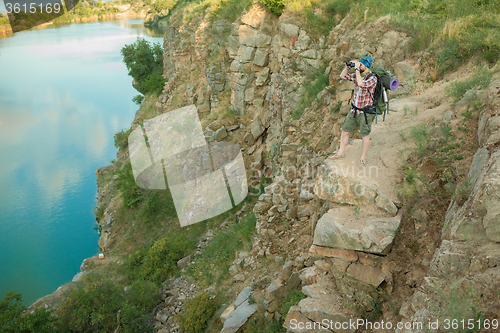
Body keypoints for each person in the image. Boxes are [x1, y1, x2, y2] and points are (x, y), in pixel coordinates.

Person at [329, 56, 376, 166]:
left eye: (361, 65)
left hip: (365, 112)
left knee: (364, 135)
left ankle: (363, 158)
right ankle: (341, 152)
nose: (359, 66)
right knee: (345, 131)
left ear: (366, 66)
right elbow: (342, 76)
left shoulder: (372, 78)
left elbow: (360, 84)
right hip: (354, 109)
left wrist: (356, 70)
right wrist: (348, 66)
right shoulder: (358, 74)